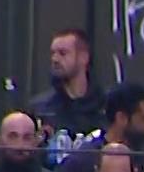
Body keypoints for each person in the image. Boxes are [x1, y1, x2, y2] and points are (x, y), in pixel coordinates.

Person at [31, 28, 104, 158]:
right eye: (52, 53)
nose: (55, 59)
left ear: (84, 58)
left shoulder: (105, 107)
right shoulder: (40, 109)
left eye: (62, 53)